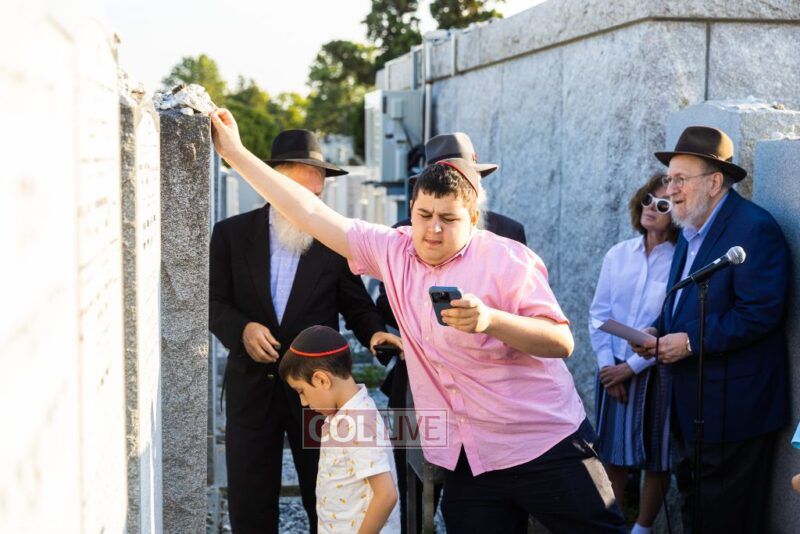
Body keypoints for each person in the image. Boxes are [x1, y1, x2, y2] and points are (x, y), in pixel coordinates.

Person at [210, 107, 626, 533]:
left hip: (542, 444)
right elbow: (310, 214)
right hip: (467, 459)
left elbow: (560, 341)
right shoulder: (391, 250)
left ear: (472, 218)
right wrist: (235, 152)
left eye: (449, 219)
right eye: (424, 215)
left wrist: (490, 320)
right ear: (412, 208)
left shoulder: (508, 258)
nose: (433, 230)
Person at [209, 129, 398, 533]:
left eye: (316, 196)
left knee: (325, 495)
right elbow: (212, 301)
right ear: (273, 183)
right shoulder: (230, 235)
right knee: (250, 501)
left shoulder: (334, 243)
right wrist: (242, 329)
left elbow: (356, 304)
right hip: (251, 390)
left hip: (319, 397)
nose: (309, 205)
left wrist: (374, 334)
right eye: (299, 193)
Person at [631, 126, 791, 533]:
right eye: (669, 178)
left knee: (727, 519)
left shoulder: (753, 228)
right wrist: (658, 330)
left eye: (680, 179)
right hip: (691, 406)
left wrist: (689, 341)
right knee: (695, 510)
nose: (670, 189)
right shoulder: (689, 229)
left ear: (715, 182)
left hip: (734, 410)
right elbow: (686, 301)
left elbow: (761, 312)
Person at [373, 132, 527, 532]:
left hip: (492, 389)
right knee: (414, 480)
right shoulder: (404, 232)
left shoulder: (509, 232)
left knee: (482, 490)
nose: (434, 227)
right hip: (419, 380)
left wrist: (483, 316)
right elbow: (384, 303)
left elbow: (526, 307)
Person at [589, 174, 678, 533]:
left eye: (662, 205)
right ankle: (608, 525)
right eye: (647, 200)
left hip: (657, 369)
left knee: (657, 458)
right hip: (611, 370)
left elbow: (672, 322)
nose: (651, 208)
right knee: (611, 455)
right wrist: (608, 369)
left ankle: (642, 529)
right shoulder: (618, 254)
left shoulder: (680, 261)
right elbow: (599, 315)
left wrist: (631, 367)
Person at [279, 325, 401, 533]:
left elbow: (386, 495)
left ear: (321, 380)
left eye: (301, 391)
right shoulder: (344, 415)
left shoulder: (357, 423)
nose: (303, 402)